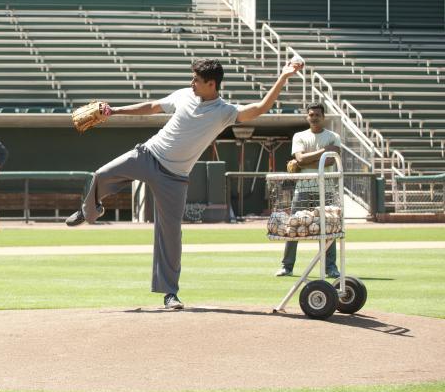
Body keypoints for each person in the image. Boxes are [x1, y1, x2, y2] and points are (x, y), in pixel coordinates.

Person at [65, 58, 302, 310]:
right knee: (101, 174)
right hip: (148, 155)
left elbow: (260, 107)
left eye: (197, 80)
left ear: (211, 84)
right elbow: (153, 106)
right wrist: (116, 111)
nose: (192, 83)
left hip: (175, 177)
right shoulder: (184, 95)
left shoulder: (224, 112)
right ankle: (89, 210)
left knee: (170, 234)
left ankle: (169, 293)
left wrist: (283, 77)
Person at [275, 102, 342, 278]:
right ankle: (287, 267)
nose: (314, 118)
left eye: (317, 115)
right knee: (294, 227)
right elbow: (300, 158)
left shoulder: (333, 136)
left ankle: (331, 268)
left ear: (323, 117)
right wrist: (321, 152)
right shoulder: (299, 136)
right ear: (307, 117)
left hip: (325, 189)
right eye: (311, 115)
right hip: (303, 188)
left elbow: (330, 161)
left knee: (329, 229)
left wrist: (305, 161)